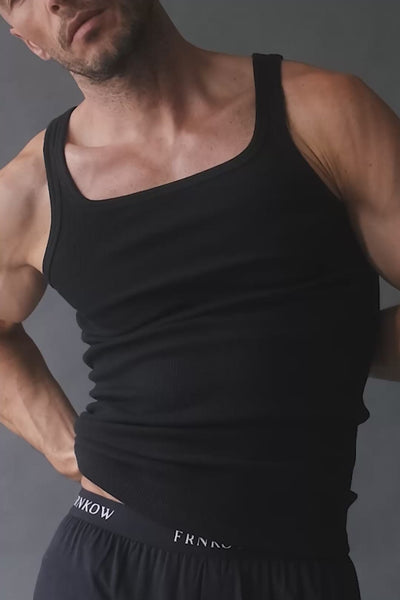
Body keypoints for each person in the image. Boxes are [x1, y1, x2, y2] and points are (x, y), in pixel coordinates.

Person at [0, 1, 399, 599]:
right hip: (108, 562)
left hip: (291, 569)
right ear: (27, 39)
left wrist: (321, 349)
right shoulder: (29, 190)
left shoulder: (324, 112)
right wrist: (68, 450)